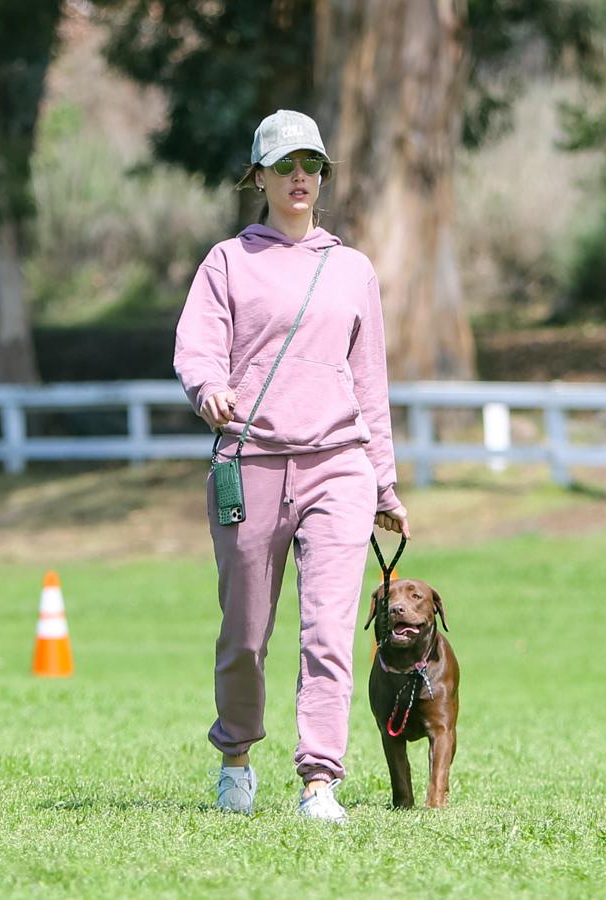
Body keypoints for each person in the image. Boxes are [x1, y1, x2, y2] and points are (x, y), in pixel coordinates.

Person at [174, 109, 409, 822]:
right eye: (283, 166)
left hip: (339, 464)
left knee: (328, 629)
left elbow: (369, 382)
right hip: (250, 464)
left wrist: (384, 483)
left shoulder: (351, 270)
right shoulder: (227, 261)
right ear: (259, 177)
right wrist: (208, 387)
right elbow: (197, 349)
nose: (299, 176)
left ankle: (318, 781)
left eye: (310, 164)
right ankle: (236, 756)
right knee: (245, 632)